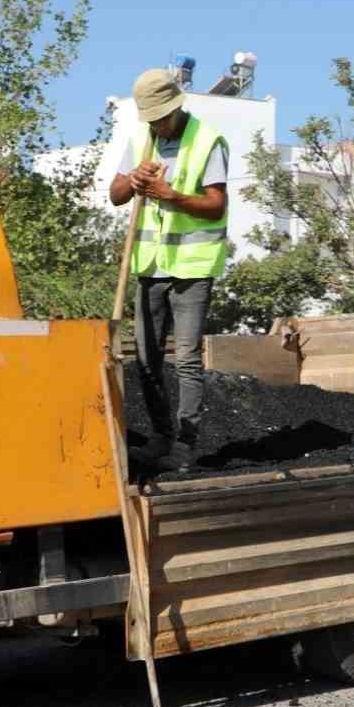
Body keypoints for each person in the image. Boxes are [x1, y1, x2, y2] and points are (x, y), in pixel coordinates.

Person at [109, 68, 228, 473]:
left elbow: (216, 205)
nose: (158, 124)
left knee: (189, 359)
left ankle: (185, 443)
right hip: (150, 267)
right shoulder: (142, 140)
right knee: (145, 359)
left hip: (192, 268)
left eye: (162, 116)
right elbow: (115, 195)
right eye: (152, 118)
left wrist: (172, 196)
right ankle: (161, 437)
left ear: (177, 106)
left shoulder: (208, 141)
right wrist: (135, 180)